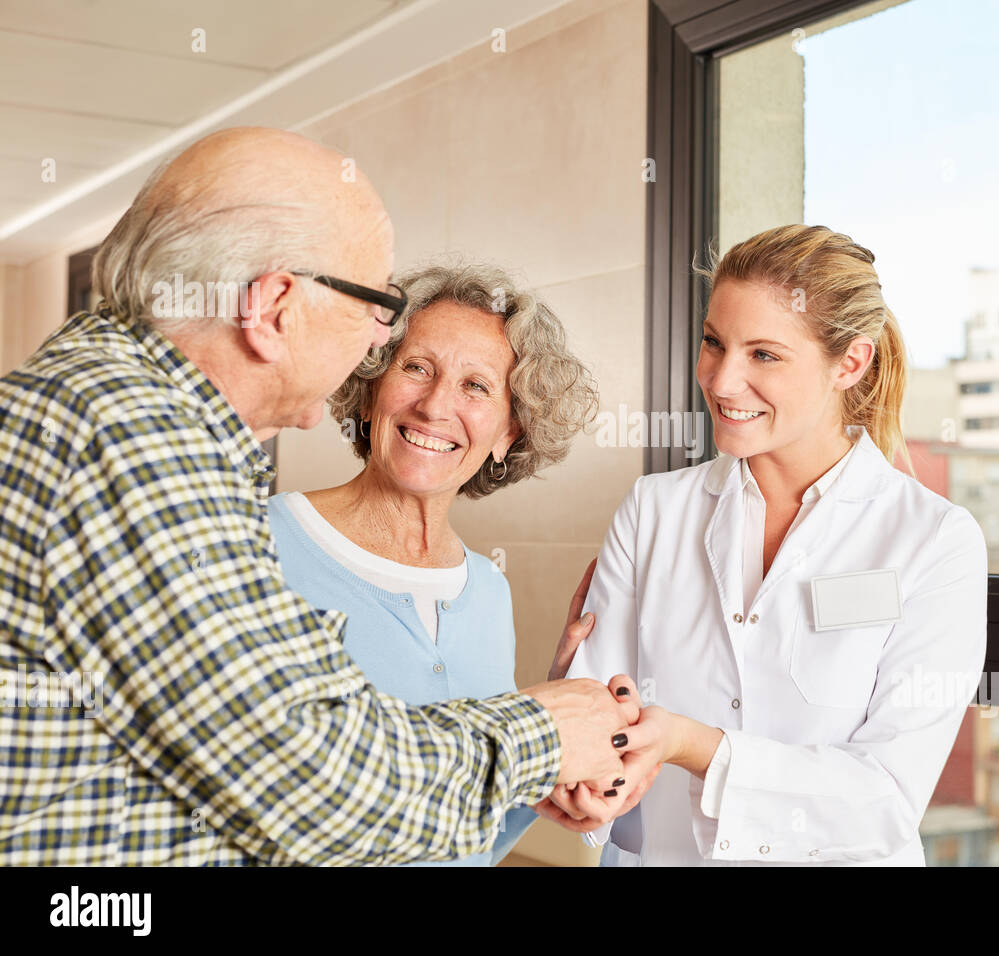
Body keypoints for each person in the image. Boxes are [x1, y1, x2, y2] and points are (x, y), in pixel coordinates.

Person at [0, 126, 636, 865]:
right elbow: (311, 778)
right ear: (273, 307)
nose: (374, 338)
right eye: (371, 303)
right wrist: (543, 734)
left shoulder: (122, 413)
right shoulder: (129, 437)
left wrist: (537, 758)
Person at [538, 224, 989, 865]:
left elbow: (885, 799)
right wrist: (584, 775)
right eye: (714, 343)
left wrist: (694, 745)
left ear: (850, 363)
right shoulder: (654, 511)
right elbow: (600, 725)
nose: (722, 382)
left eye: (764, 355)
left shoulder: (935, 543)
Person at [268, 261, 606, 866]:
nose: (433, 405)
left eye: (476, 386)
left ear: (510, 430)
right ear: (371, 388)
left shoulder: (487, 592)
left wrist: (549, 760)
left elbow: (464, 838)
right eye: (416, 368)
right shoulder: (261, 543)